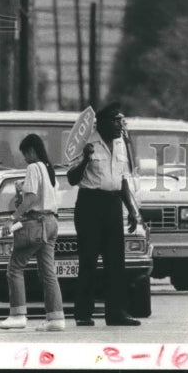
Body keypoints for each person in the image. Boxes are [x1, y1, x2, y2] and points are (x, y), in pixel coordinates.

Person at [67, 101, 143, 328]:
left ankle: (116, 313)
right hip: (90, 203)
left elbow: (122, 179)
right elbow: (72, 178)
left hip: (112, 204)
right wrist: (86, 159)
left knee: (116, 262)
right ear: (102, 123)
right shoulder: (86, 142)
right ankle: (83, 313)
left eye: (122, 120)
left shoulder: (120, 144)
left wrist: (131, 209)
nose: (121, 124)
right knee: (88, 260)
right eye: (116, 120)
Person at [0, 133, 65, 333]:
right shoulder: (49, 169)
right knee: (48, 272)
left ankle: (17, 315)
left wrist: (13, 218)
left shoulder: (34, 167)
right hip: (52, 222)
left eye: (26, 153)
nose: (25, 158)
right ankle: (56, 318)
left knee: (15, 267)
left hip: (36, 222)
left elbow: (31, 199)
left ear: (33, 151)